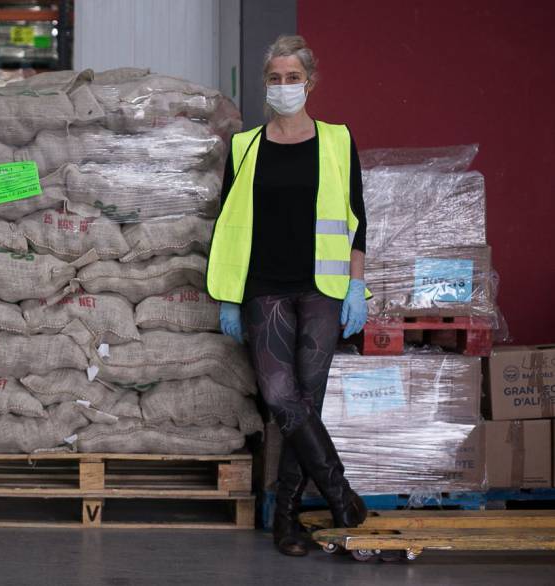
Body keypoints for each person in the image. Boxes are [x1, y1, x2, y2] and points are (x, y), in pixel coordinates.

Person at [206, 35, 369, 556]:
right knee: (281, 397)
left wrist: (357, 286)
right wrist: (229, 297)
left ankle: (286, 520)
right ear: (265, 85)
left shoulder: (338, 140)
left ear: (310, 82)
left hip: (322, 286)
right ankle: (341, 496)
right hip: (264, 289)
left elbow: (357, 220)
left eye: (292, 77)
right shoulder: (244, 146)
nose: (284, 86)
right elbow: (229, 225)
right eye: (275, 78)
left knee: (307, 402)